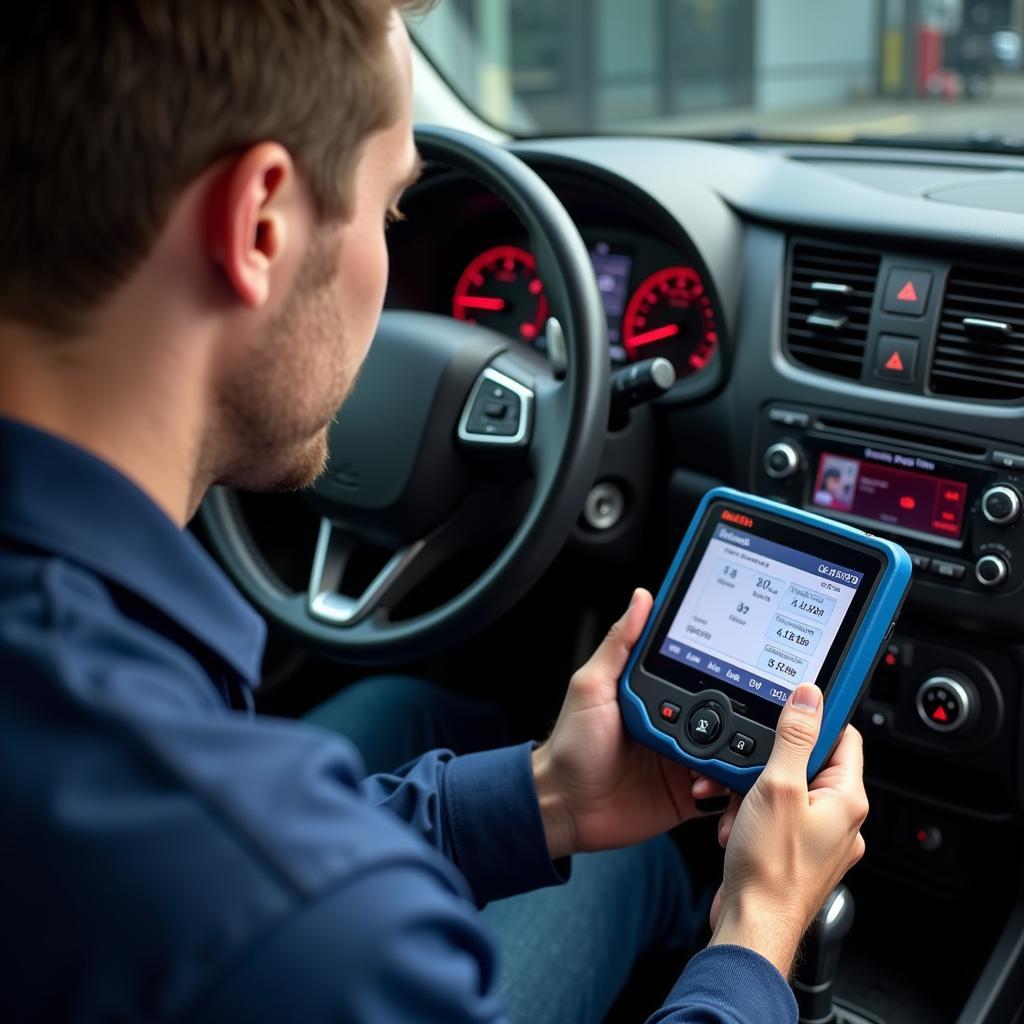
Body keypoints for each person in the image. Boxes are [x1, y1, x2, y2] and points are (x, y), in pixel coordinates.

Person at [0, 3, 868, 1022]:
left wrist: (549, 794)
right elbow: (273, 895)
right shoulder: (303, 923)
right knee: (624, 874)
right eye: (391, 211)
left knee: (416, 709)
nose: (385, 262)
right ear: (260, 224)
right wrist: (757, 934)